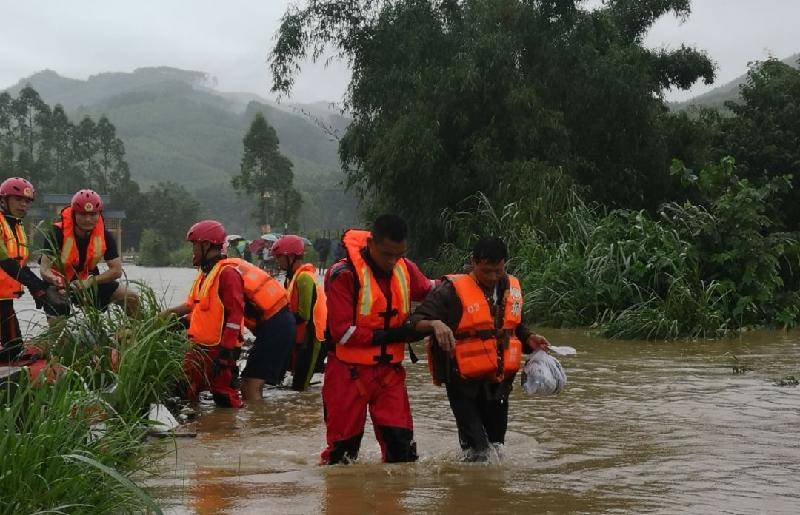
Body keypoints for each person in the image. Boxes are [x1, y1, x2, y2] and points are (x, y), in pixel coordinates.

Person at [411, 237, 551, 462]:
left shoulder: (510, 287)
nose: (493, 277)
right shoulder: (450, 292)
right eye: (487, 271)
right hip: (461, 381)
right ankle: (469, 492)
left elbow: (514, 326)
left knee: (497, 445)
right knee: (478, 450)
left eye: (498, 270)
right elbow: (415, 321)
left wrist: (529, 338)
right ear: (473, 263)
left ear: (504, 264)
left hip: (498, 382)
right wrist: (436, 325)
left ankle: (489, 494)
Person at [321, 214, 436, 465]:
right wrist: (396, 333)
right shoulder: (343, 275)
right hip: (347, 373)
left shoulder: (404, 268)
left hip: (389, 374)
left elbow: (430, 289)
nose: (393, 261)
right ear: (371, 243)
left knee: (403, 454)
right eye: (387, 254)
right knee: (341, 457)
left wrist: (460, 284)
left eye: (399, 254)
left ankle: (392, 503)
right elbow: (343, 332)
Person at [161, 220, 246, 408]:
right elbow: (201, 311)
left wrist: (225, 354)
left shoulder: (228, 274)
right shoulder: (206, 274)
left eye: (194, 246)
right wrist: (175, 324)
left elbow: (235, 316)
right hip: (200, 346)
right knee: (184, 387)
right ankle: (198, 426)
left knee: (223, 396)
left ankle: (232, 433)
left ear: (206, 245)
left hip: (221, 348)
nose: (193, 251)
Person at [40, 189, 138, 316]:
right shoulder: (56, 232)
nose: (87, 219)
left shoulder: (105, 235)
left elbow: (116, 270)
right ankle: (58, 333)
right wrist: (54, 280)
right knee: (57, 325)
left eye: (92, 215)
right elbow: (44, 269)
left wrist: (90, 282)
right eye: (82, 214)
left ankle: (134, 332)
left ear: (99, 214)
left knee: (131, 297)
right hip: (58, 285)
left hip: (86, 282)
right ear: (74, 215)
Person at [0, 178, 68, 361]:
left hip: (4, 298)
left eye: (26, 201)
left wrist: (39, 287)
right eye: (18, 200)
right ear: (4, 200)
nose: (23, 205)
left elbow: (20, 264)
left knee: (13, 349)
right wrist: (37, 287)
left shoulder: (17, 226)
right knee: (11, 350)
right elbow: (5, 262)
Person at [271, 234, 327, 391]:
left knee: (300, 387)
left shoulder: (304, 278)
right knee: (293, 385)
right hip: (300, 337)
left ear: (291, 257)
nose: (277, 260)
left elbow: (303, 314)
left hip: (313, 338)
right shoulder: (291, 278)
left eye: (279, 257)